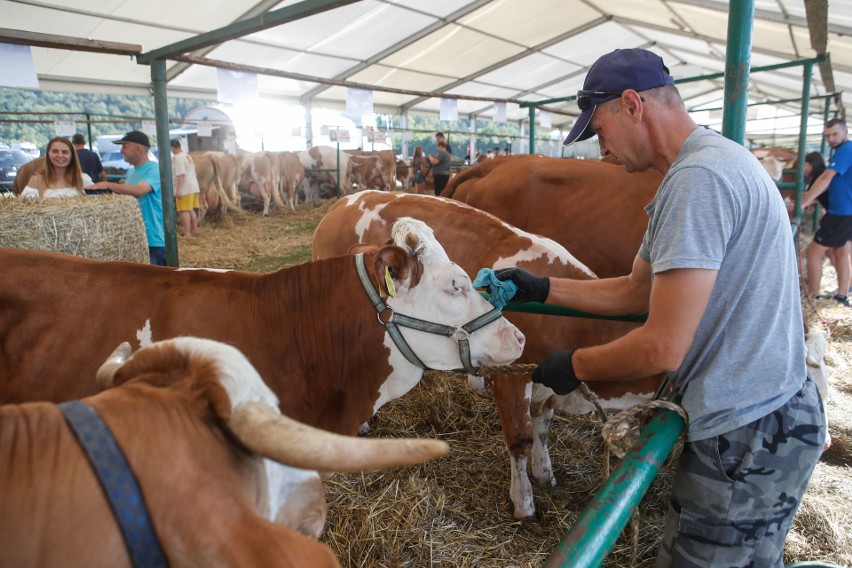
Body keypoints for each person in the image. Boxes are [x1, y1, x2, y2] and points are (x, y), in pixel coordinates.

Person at [490, 48, 825, 567]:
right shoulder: (706, 165)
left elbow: (663, 346)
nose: (600, 151)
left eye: (598, 130)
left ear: (631, 105)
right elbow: (635, 290)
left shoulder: (699, 182)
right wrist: (542, 288)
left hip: (744, 432)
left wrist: (572, 366)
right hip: (774, 410)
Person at [793, 120, 852, 306]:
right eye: (827, 135)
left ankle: (814, 295)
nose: (831, 139)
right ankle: (842, 296)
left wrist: (804, 202)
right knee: (841, 252)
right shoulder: (844, 150)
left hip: (841, 212)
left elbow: (827, 177)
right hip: (846, 211)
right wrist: (810, 196)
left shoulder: (846, 150)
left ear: (845, 132)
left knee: (812, 252)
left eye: (834, 134)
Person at [87, 131, 165, 266]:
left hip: (153, 239)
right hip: (136, 236)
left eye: (125, 146)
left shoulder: (154, 170)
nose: (121, 150)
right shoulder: (131, 172)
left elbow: (140, 190)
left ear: (138, 148)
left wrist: (108, 184)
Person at [20, 137, 85, 199]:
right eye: (55, 151)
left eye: (65, 152)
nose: (60, 155)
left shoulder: (81, 179)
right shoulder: (36, 181)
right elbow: (25, 207)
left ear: (72, 155)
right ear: (48, 153)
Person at [169, 139, 200, 238]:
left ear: (172, 147)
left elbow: (181, 174)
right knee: (191, 210)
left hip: (185, 188)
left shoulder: (178, 158)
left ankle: (187, 233)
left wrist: (178, 190)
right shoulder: (187, 156)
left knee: (184, 211)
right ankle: (194, 230)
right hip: (193, 187)